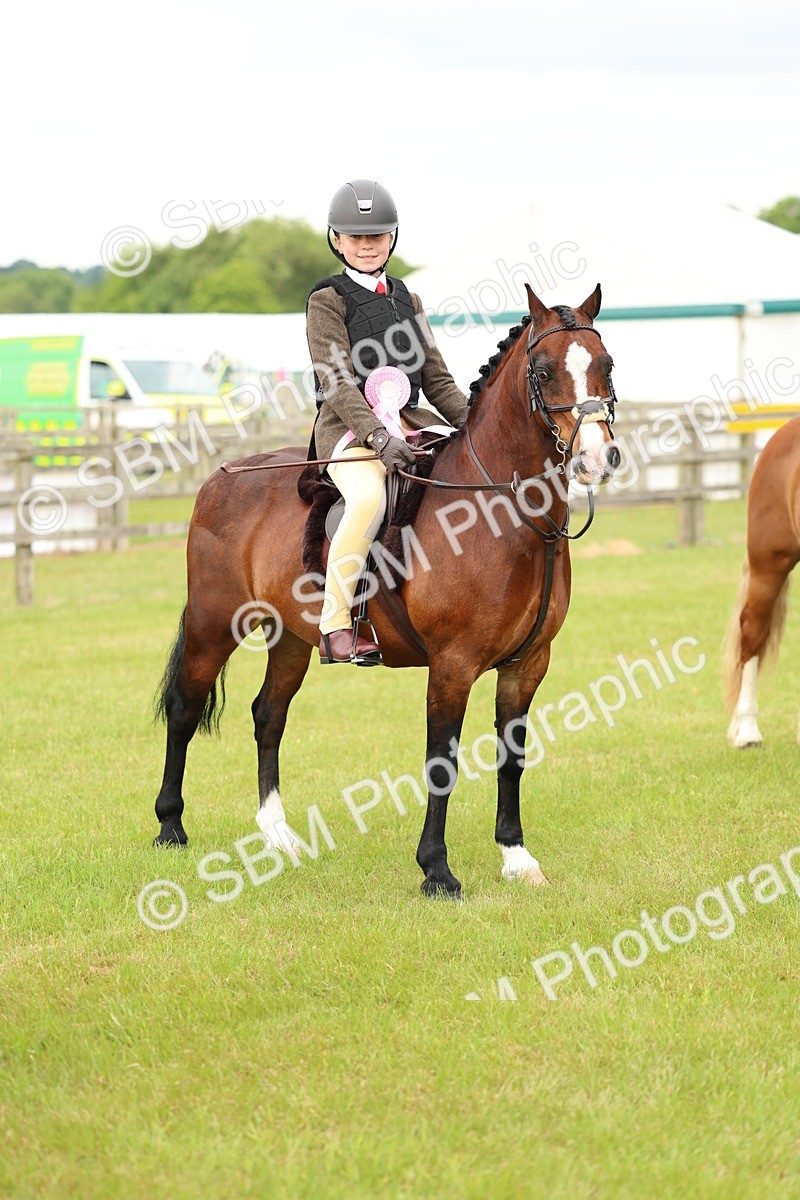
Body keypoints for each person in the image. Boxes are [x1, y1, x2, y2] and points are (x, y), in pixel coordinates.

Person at [305, 178, 470, 665]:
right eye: (356, 236)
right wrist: (377, 436)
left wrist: (476, 424)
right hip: (349, 430)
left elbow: (437, 381)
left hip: (412, 423)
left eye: (376, 234)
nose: (367, 243)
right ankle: (336, 626)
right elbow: (336, 381)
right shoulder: (327, 301)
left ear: (392, 238)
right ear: (336, 239)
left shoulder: (408, 300)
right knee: (368, 498)